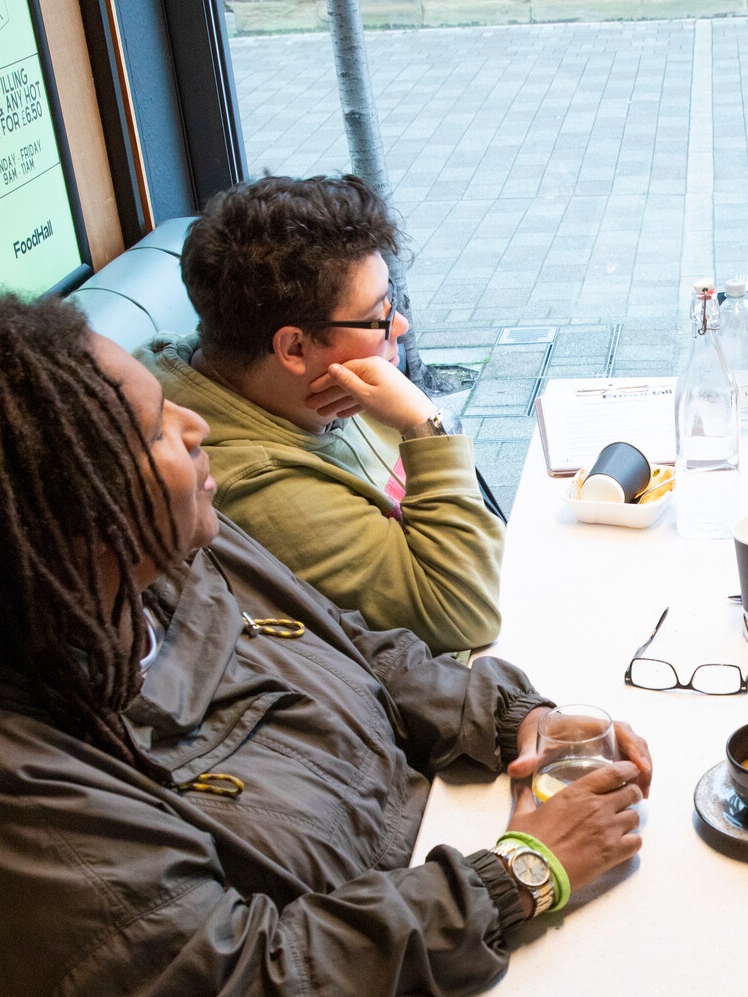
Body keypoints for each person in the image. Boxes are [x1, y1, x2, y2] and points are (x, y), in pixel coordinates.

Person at [0, 297, 650, 997]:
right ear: (69, 513)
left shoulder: (164, 560)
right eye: (156, 426)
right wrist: (512, 878)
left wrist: (510, 717)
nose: (196, 424)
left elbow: (351, 644)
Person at [144, 173, 503, 657]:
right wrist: (425, 428)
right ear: (294, 346)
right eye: (377, 316)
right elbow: (465, 612)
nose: (400, 324)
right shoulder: (258, 486)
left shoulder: (295, 384)